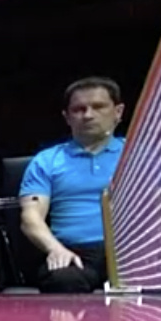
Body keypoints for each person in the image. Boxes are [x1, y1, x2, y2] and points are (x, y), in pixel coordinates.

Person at [19, 77, 126, 295]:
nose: (88, 115)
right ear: (67, 118)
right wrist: (56, 249)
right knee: (63, 280)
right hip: (75, 253)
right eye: (78, 109)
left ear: (118, 112)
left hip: (130, 252)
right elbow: (30, 218)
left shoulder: (139, 156)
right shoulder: (46, 161)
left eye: (98, 107)